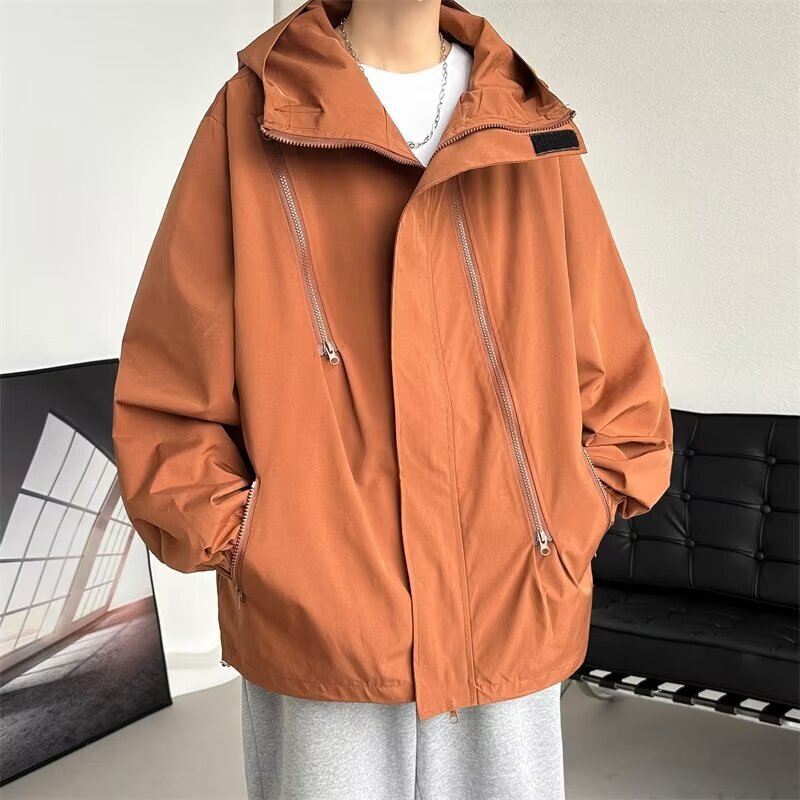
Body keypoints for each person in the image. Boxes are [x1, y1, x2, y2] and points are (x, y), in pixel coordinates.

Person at [111, 0, 674, 797]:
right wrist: (263, 546)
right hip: (321, 628)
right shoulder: (251, 117)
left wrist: (561, 519)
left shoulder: (525, 125)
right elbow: (169, 391)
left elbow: (619, 386)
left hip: (510, 610)